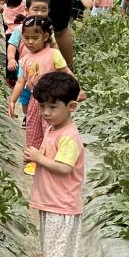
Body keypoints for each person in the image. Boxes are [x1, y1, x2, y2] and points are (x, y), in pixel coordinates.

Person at [23, 72, 84, 257]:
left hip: (61, 203)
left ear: (71, 106)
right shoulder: (54, 129)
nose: (46, 113)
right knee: (61, 246)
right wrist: (36, 157)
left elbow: (64, 167)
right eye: (42, 107)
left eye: (52, 107)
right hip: (52, 200)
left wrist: (39, 158)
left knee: (56, 249)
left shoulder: (68, 136)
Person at [8, 16, 81, 175]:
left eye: (35, 38)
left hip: (54, 100)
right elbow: (20, 82)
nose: (30, 42)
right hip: (36, 100)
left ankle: (53, 158)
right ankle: (33, 161)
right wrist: (12, 100)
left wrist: (78, 90)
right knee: (33, 129)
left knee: (52, 128)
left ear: (45, 36)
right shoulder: (24, 60)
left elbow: (66, 72)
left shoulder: (53, 54)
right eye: (26, 38)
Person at [6, 0, 51, 120]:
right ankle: (28, 116)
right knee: (25, 94)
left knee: (45, 92)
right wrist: (11, 59)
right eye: (35, 9)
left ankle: (43, 115)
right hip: (25, 66)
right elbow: (12, 45)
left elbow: (54, 47)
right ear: (26, 10)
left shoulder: (48, 29)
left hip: (44, 67)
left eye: (44, 10)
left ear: (48, 11)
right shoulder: (20, 29)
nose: (39, 13)